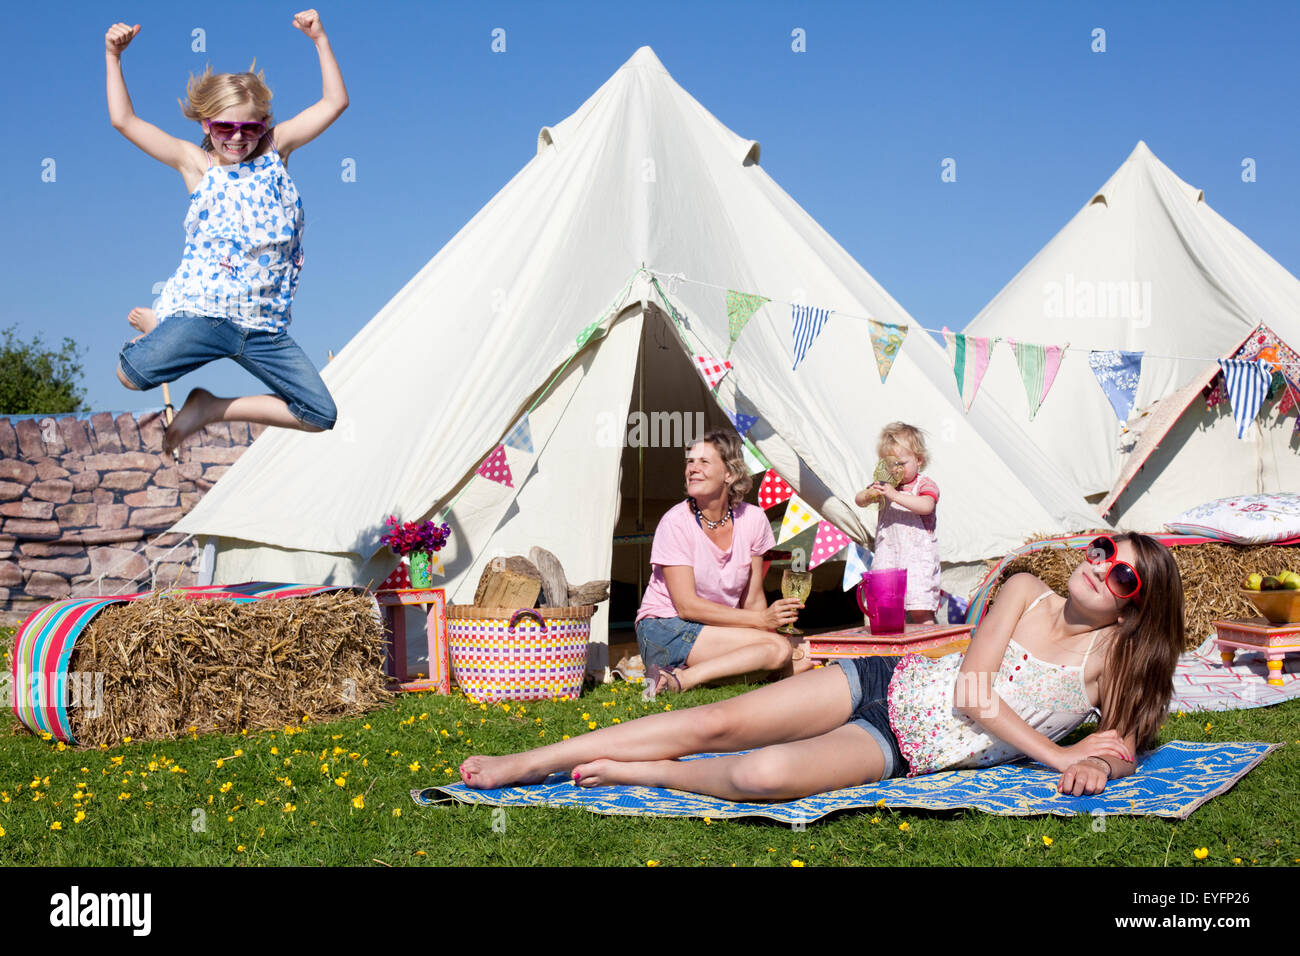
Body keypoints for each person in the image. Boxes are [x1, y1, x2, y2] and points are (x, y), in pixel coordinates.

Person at [460, 533, 1184, 800]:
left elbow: (1116, 745)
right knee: (717, 722)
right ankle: (532, 759)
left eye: (1125, 577)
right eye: (1103, 553)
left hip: (901, 750)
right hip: (883, 685)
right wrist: (1059, 755)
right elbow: (973, 693)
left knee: (763, 775)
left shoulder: (1109, 660)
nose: (1103, 571)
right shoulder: (1028, 591)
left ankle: (643, 771)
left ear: (1135, 608)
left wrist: (1101, 765)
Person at [106, 11, 346, 454]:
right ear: (205, 125)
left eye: (250, 127)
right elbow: (125, 120)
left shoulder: (276, 151)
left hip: (265, 327)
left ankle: (211, 408)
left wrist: (320, 40)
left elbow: (334, 103)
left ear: (265, 124)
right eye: (224, 128)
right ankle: (164, 323)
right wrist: (113, 56)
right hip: (206, 315)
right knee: (129, 375)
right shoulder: (197, 165)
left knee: (318, 414)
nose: (238, 138)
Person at [632, 430, 808, 698]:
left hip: (716, 629)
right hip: (665, 626)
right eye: (690, 462)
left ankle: (689, 674)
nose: (693, 469)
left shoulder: (753, 519)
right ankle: (683, 679)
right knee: (780, 652)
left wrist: (768, 626)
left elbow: (753, 599)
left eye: (704, 462)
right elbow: (686, 606)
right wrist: (762, 624)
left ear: (729, 473)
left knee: (801, 653)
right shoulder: (675, 522)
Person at [854, 422, 939, 624]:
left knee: (920, 609)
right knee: (887, 609)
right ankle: (894, 652)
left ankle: (930, 650)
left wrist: (895, 496)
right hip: (888, 555)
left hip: (917, 558)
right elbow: (858, 500)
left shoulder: (924, 484)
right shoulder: (886, 485)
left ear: (918, 460)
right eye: (889, 464)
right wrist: (869, 494)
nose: (895, 469)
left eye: (901, 463)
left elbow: (926, 505)